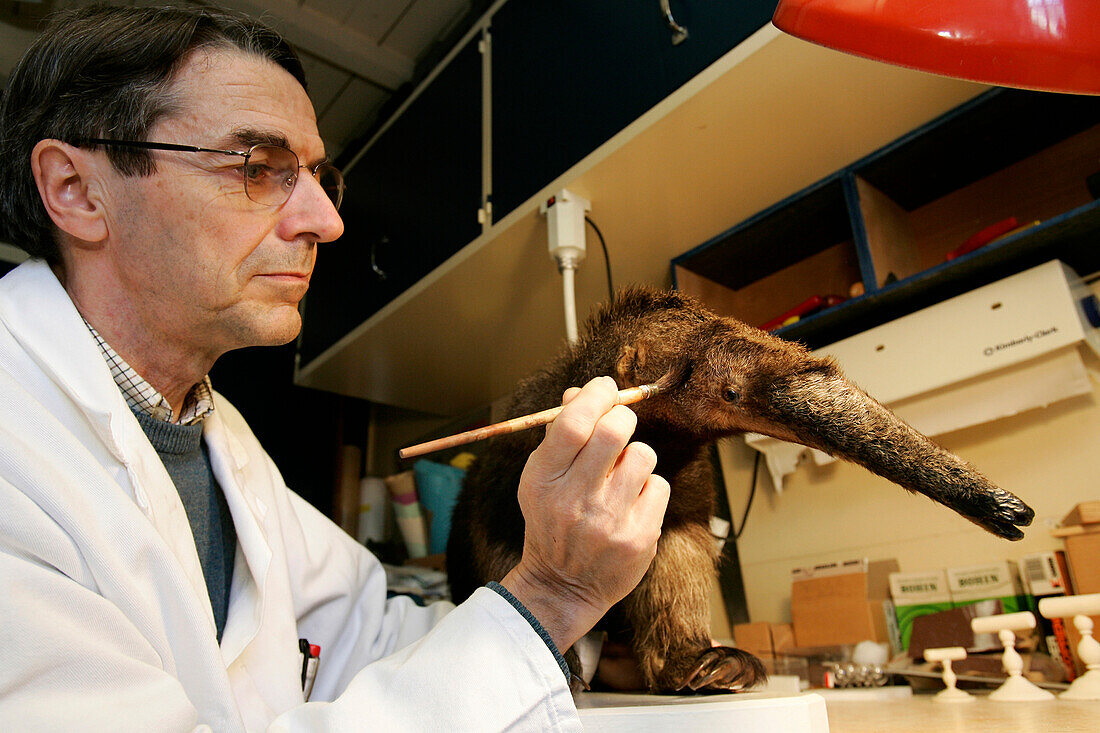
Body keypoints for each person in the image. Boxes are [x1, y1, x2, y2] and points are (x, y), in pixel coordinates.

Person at [0, 4, 669, 731]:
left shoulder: (221, 440)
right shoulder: (17, 443)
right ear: (75, 189)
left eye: (318, 176)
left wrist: (585, 637)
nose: (326, 220)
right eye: (258, 167)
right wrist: (552, 592)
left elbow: (372, 637)